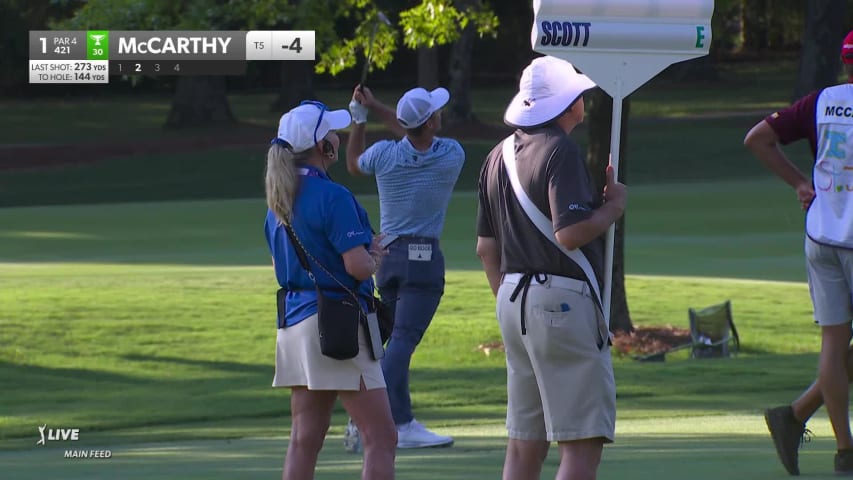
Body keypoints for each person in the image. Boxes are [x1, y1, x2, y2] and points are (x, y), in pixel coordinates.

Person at [475, 55, 626, 480]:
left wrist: (513, 306)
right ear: (567, 105)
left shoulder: (496, 156)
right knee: (581, 444)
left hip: (512, 297)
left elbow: (487, 248)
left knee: (525, 443)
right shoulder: (560, 151)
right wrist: (612, 208)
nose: (583, 101)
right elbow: (571, 233)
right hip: (559, 300)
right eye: (577, 94)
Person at [263, 100, 397, 480]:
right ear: (324, 146)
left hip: (295, 325)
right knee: (382, 437)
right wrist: (375, 257)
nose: (338, 138)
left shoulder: (279, 199)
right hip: (337, 325)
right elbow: (356, 266)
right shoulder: (333, 196)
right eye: (333, 133)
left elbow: (281, 266)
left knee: (305, 439)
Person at [745, 29, 853, 477]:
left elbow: (756, 138)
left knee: (833, 342)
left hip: (822, 235)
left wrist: (799, 183)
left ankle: (834, 441)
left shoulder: (822, 101)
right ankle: (798, 417)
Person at [343, 84, 465, 450]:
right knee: (402, 342)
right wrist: (378, 106)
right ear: (430, 123)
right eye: (435, 113)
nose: (441, 115)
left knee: (394, 342)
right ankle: (362, 418)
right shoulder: (451, 154)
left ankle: (402, 421)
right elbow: (411, 132)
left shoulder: (382, 155)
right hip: (422, 261)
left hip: (388, 259)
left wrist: (360, 118)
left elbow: (353, 163)